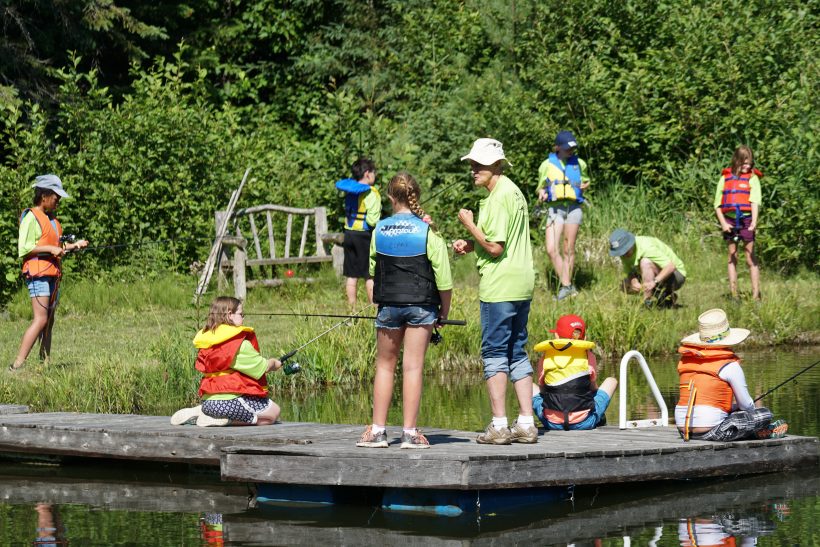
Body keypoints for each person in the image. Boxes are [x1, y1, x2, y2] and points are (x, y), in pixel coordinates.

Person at [356, 172, 453, 449]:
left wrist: (377, 303)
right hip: (422, 307)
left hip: (389, 306)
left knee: (385, 367)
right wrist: (442, 314)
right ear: (416, 196)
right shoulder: (428, 232)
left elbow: (371, 276)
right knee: (412, 368)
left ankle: (377, 432)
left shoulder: (379, 229)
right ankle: (409, 434)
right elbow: (443, 280)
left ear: (389, 198)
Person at [452, 138, 538, 445]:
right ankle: (527, 423)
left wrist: (469, 225)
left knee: (494, 353)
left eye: (479, 165)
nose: (473, 170)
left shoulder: (498, 197)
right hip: (522, 281)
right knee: (517, 350)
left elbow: (495, 246)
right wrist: (472, 243)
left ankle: (500, 425)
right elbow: (500, 242)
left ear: (495, 165)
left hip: (500, 286)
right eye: (473, 164)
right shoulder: (513, 191)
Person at [9, 175, 88, 372]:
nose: (58, 201)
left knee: (49, 320)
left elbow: (57, 246)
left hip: (53, 275)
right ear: (44, 196)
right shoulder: (31, 217)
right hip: (38, 275)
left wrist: (74, 246)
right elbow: (24, 248)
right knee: (41, 319)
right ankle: (16, 366)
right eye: (56, 197)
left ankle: (44, 365)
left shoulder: (52, 220)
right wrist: (51, 250)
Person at [675, 308, 787, 441]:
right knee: (764, 414)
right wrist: (744, 409)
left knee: (734, 414)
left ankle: (752, 431)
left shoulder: (686, 360)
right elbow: (746, 405)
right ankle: (757, 432)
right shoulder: (729, 365)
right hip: (713, 432)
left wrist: (732, 408)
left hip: (683, 430)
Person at [171, 296, 282, 427]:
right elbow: (263, 368)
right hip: (230, 402)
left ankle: (203, 412)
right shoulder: (239, 344)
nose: (243, 317)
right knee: (273, 414)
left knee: (259, 413)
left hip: (208, 401)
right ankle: (224, 420)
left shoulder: (207, 342)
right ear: (230, 315)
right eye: (241, 314)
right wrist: (275, 363)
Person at [531, 314, 617, 430]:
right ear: (584, 338)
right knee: (611, 381)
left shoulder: (546, 357)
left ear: (556, 336)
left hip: (551, 423)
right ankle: (597, 416)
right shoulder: (588, 356)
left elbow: (543, 390)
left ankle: (525, 421)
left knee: (529, 386)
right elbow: (593, 388)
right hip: (585, 422)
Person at [536, 131, 590, 300]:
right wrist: (542, 192)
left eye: (572, 149)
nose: (570, 152)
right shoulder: (546, 165)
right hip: (554, 209)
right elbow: (540, 187)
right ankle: (567, 286)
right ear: (557, 147)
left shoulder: (579, 163)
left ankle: (566, 288)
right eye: (567, 149)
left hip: (574, 207)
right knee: (551, 249)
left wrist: (584, 185)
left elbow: (586, 180)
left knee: (568, 248)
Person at [714, 145, 763, 301]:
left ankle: (756, 296)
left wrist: (754, 222)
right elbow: (717, 204)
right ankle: (734, 294)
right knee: (732, 255)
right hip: (729, 220)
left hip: (747, 220)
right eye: (744, 163)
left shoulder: (752, 178)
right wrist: (723, 223)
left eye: (749, 163)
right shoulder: (725, 178)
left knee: (750, 257)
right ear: (737, 161)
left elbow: (755, 201)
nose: (747, 166)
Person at [335, 157, 381, 308]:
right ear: (367, 174)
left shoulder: (350, 191)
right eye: (374, 173)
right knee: (369, 274)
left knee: (352, 275)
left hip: (349, 235)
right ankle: (374, 309)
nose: (375, 176)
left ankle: (352, 311)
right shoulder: (372, 193)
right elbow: (373, 221)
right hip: (364, 237)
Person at [609, 228, 687, 308]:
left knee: (645, 262)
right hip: (658, 276)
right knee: (624, 285)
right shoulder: (624, 254)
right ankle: (665, 297)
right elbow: (630, 272)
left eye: (624, 251)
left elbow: (671, 267)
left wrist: (654, 281)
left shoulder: (646, 246)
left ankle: (648, 303)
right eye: (620, 252)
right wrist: (634, 281)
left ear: (630, 244)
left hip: (676, 275)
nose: (623, 255)